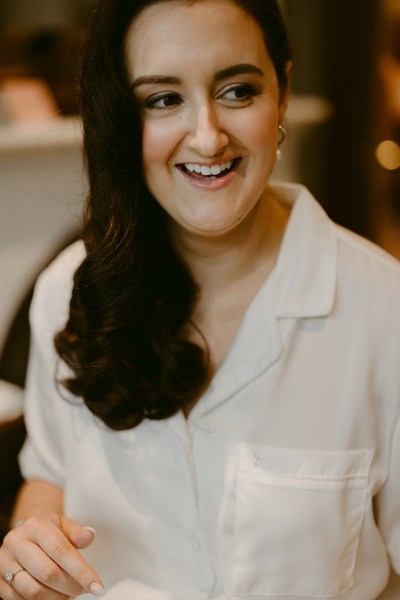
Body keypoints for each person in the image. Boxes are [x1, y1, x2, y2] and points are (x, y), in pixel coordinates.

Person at [0, 0, 400, 599]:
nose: (209, 136)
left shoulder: (383, 310)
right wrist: (30, 552)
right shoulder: (66, 291)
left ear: (283, 92)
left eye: (238, 91)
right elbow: (50, 476)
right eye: (163, 100)